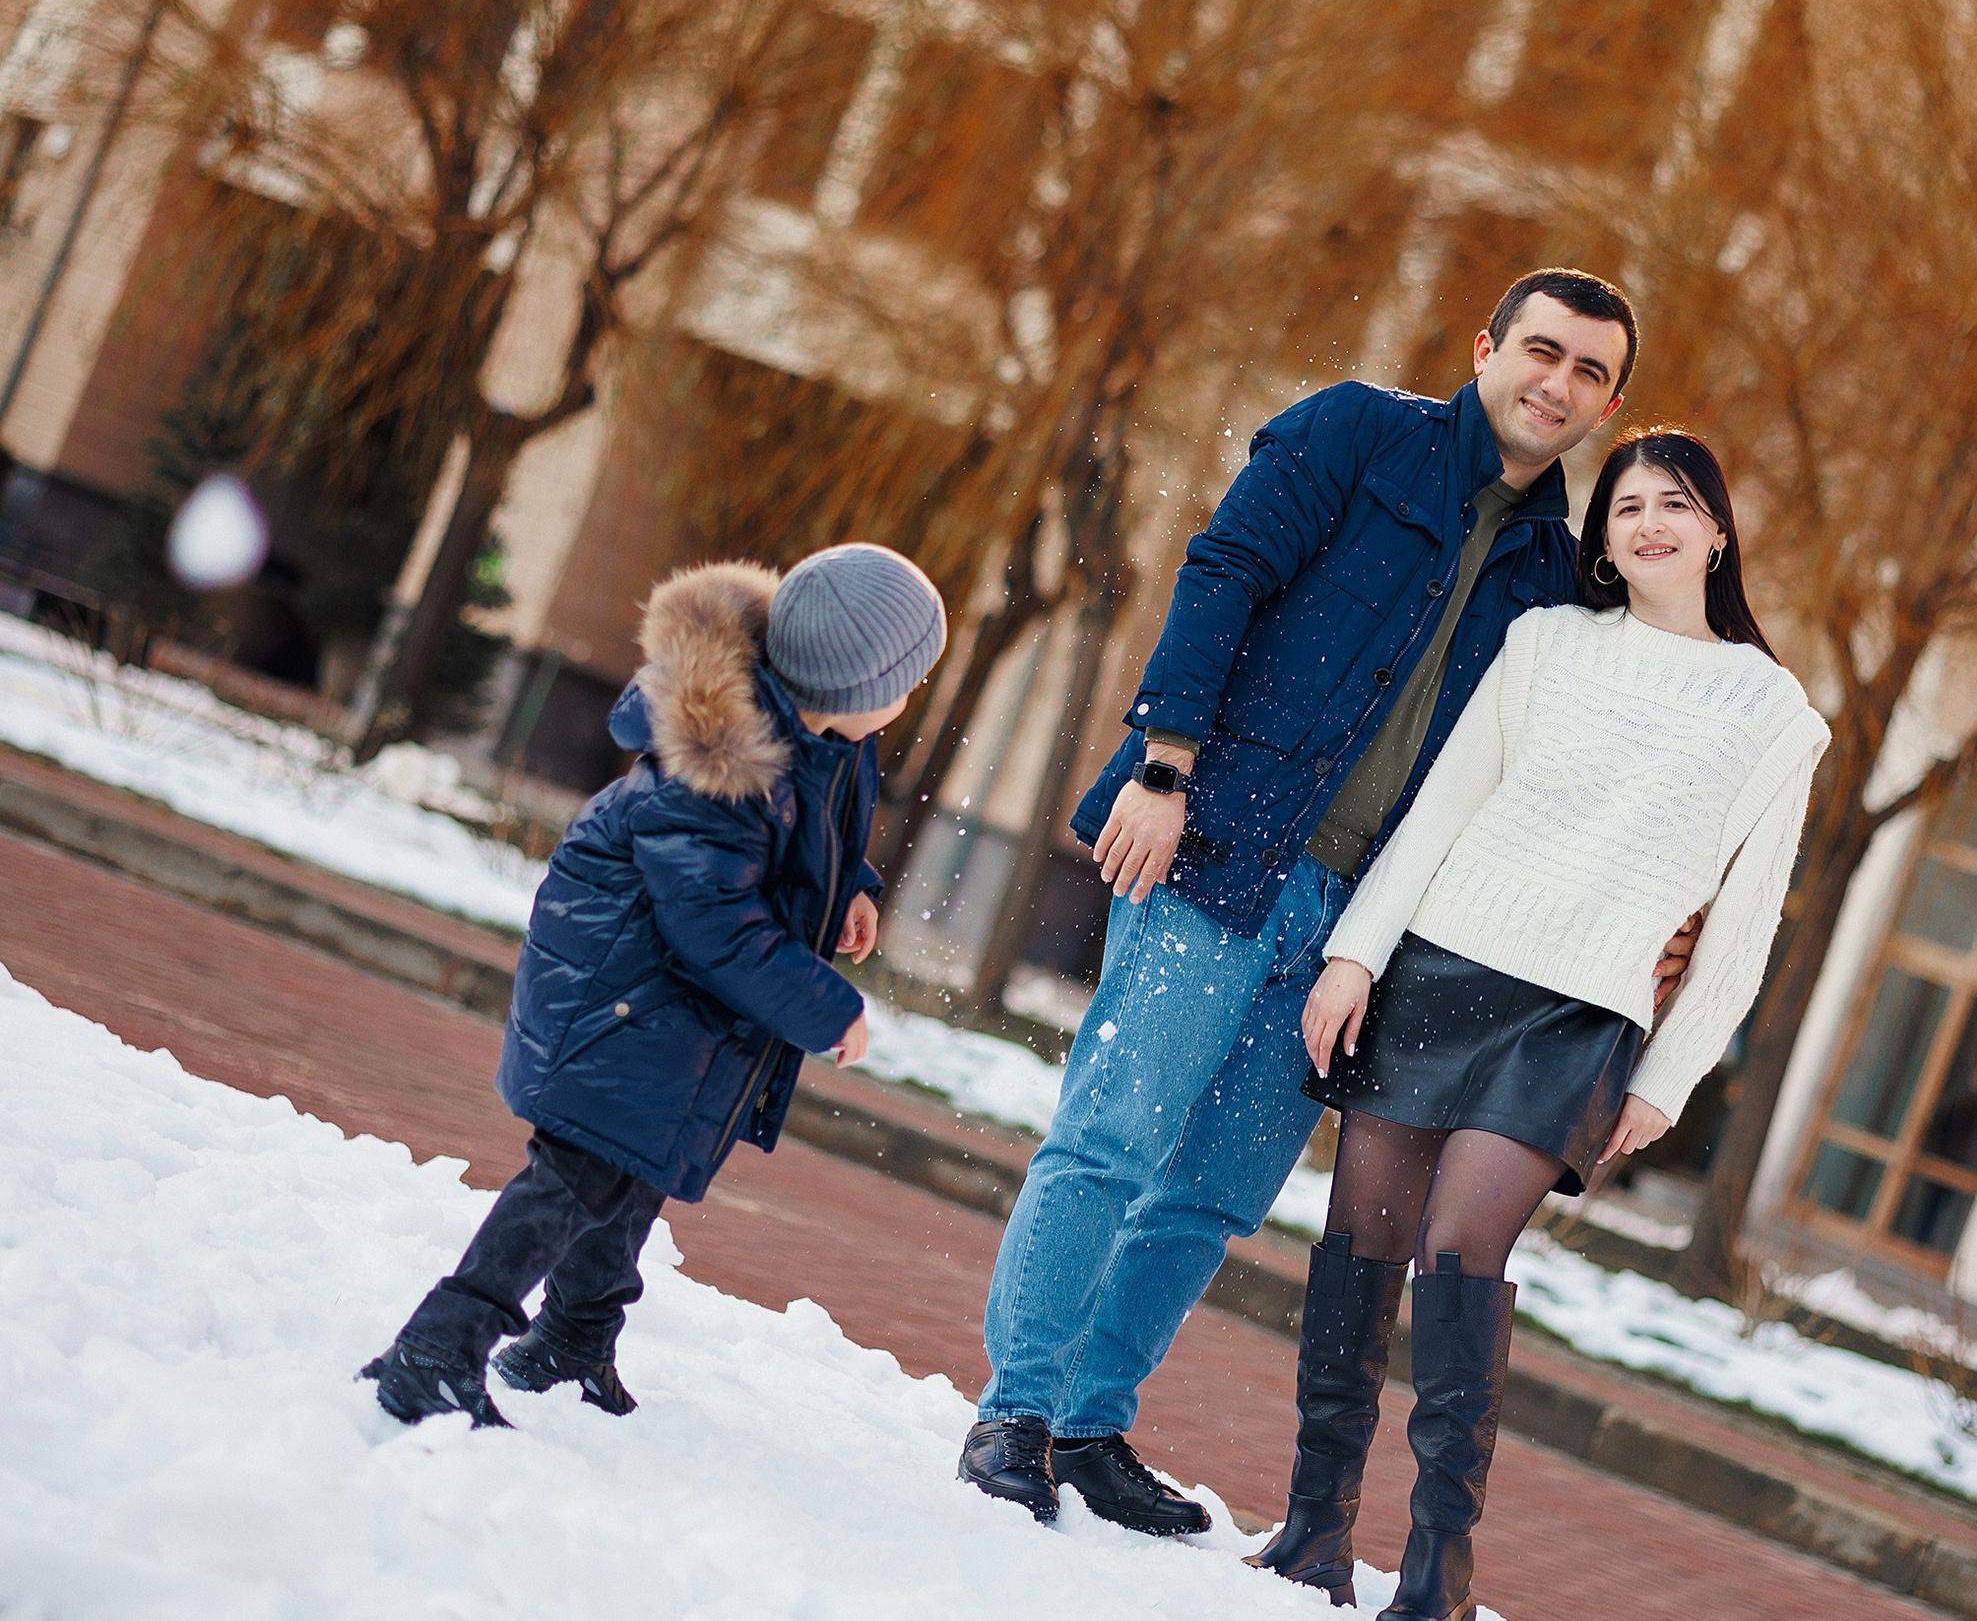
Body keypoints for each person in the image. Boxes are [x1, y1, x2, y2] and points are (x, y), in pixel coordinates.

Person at [962, 270, 1687, 1533]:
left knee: (1216, 1190)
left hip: (1358, 932)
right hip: (1217, 852)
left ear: (1609, 404)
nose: (1556, 384)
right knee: (1113, 1137)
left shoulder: (1562, 578)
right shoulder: (1358, 433)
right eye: (1541, 351)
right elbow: (1224, 570)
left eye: (1588, 373)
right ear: (1486, 347)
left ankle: (1089, 1422)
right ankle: (1014, 1412)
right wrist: (1162, 761)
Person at [1252, 430, 1829, 1619]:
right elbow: (1444, 809)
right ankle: (1313, 1532)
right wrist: (1357, 952)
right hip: (1435, 968)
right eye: (1625, 508)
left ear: (1718, 530)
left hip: (1571, 1017)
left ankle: (1436, 1572)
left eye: (1675, 505)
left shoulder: (1773, 713)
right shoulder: (1544, 644)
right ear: (1601, 540)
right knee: (1359, 1236)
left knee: (1460, 1245)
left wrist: (1666, 1082)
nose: (1650, 524)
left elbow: (1746, 926)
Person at [359, 546, 947, 1427]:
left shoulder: (819, 739)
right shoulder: (721, 769)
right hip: (624, 995)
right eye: (910, 682)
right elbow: (714, 925)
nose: (912, 699)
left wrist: (852, 887)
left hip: (667, 1010)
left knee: (629, 1176)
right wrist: (828, 1010)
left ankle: (573, 1340)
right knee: (575, 1181)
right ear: (859, 688)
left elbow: (809, 837)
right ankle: (437, 1349)